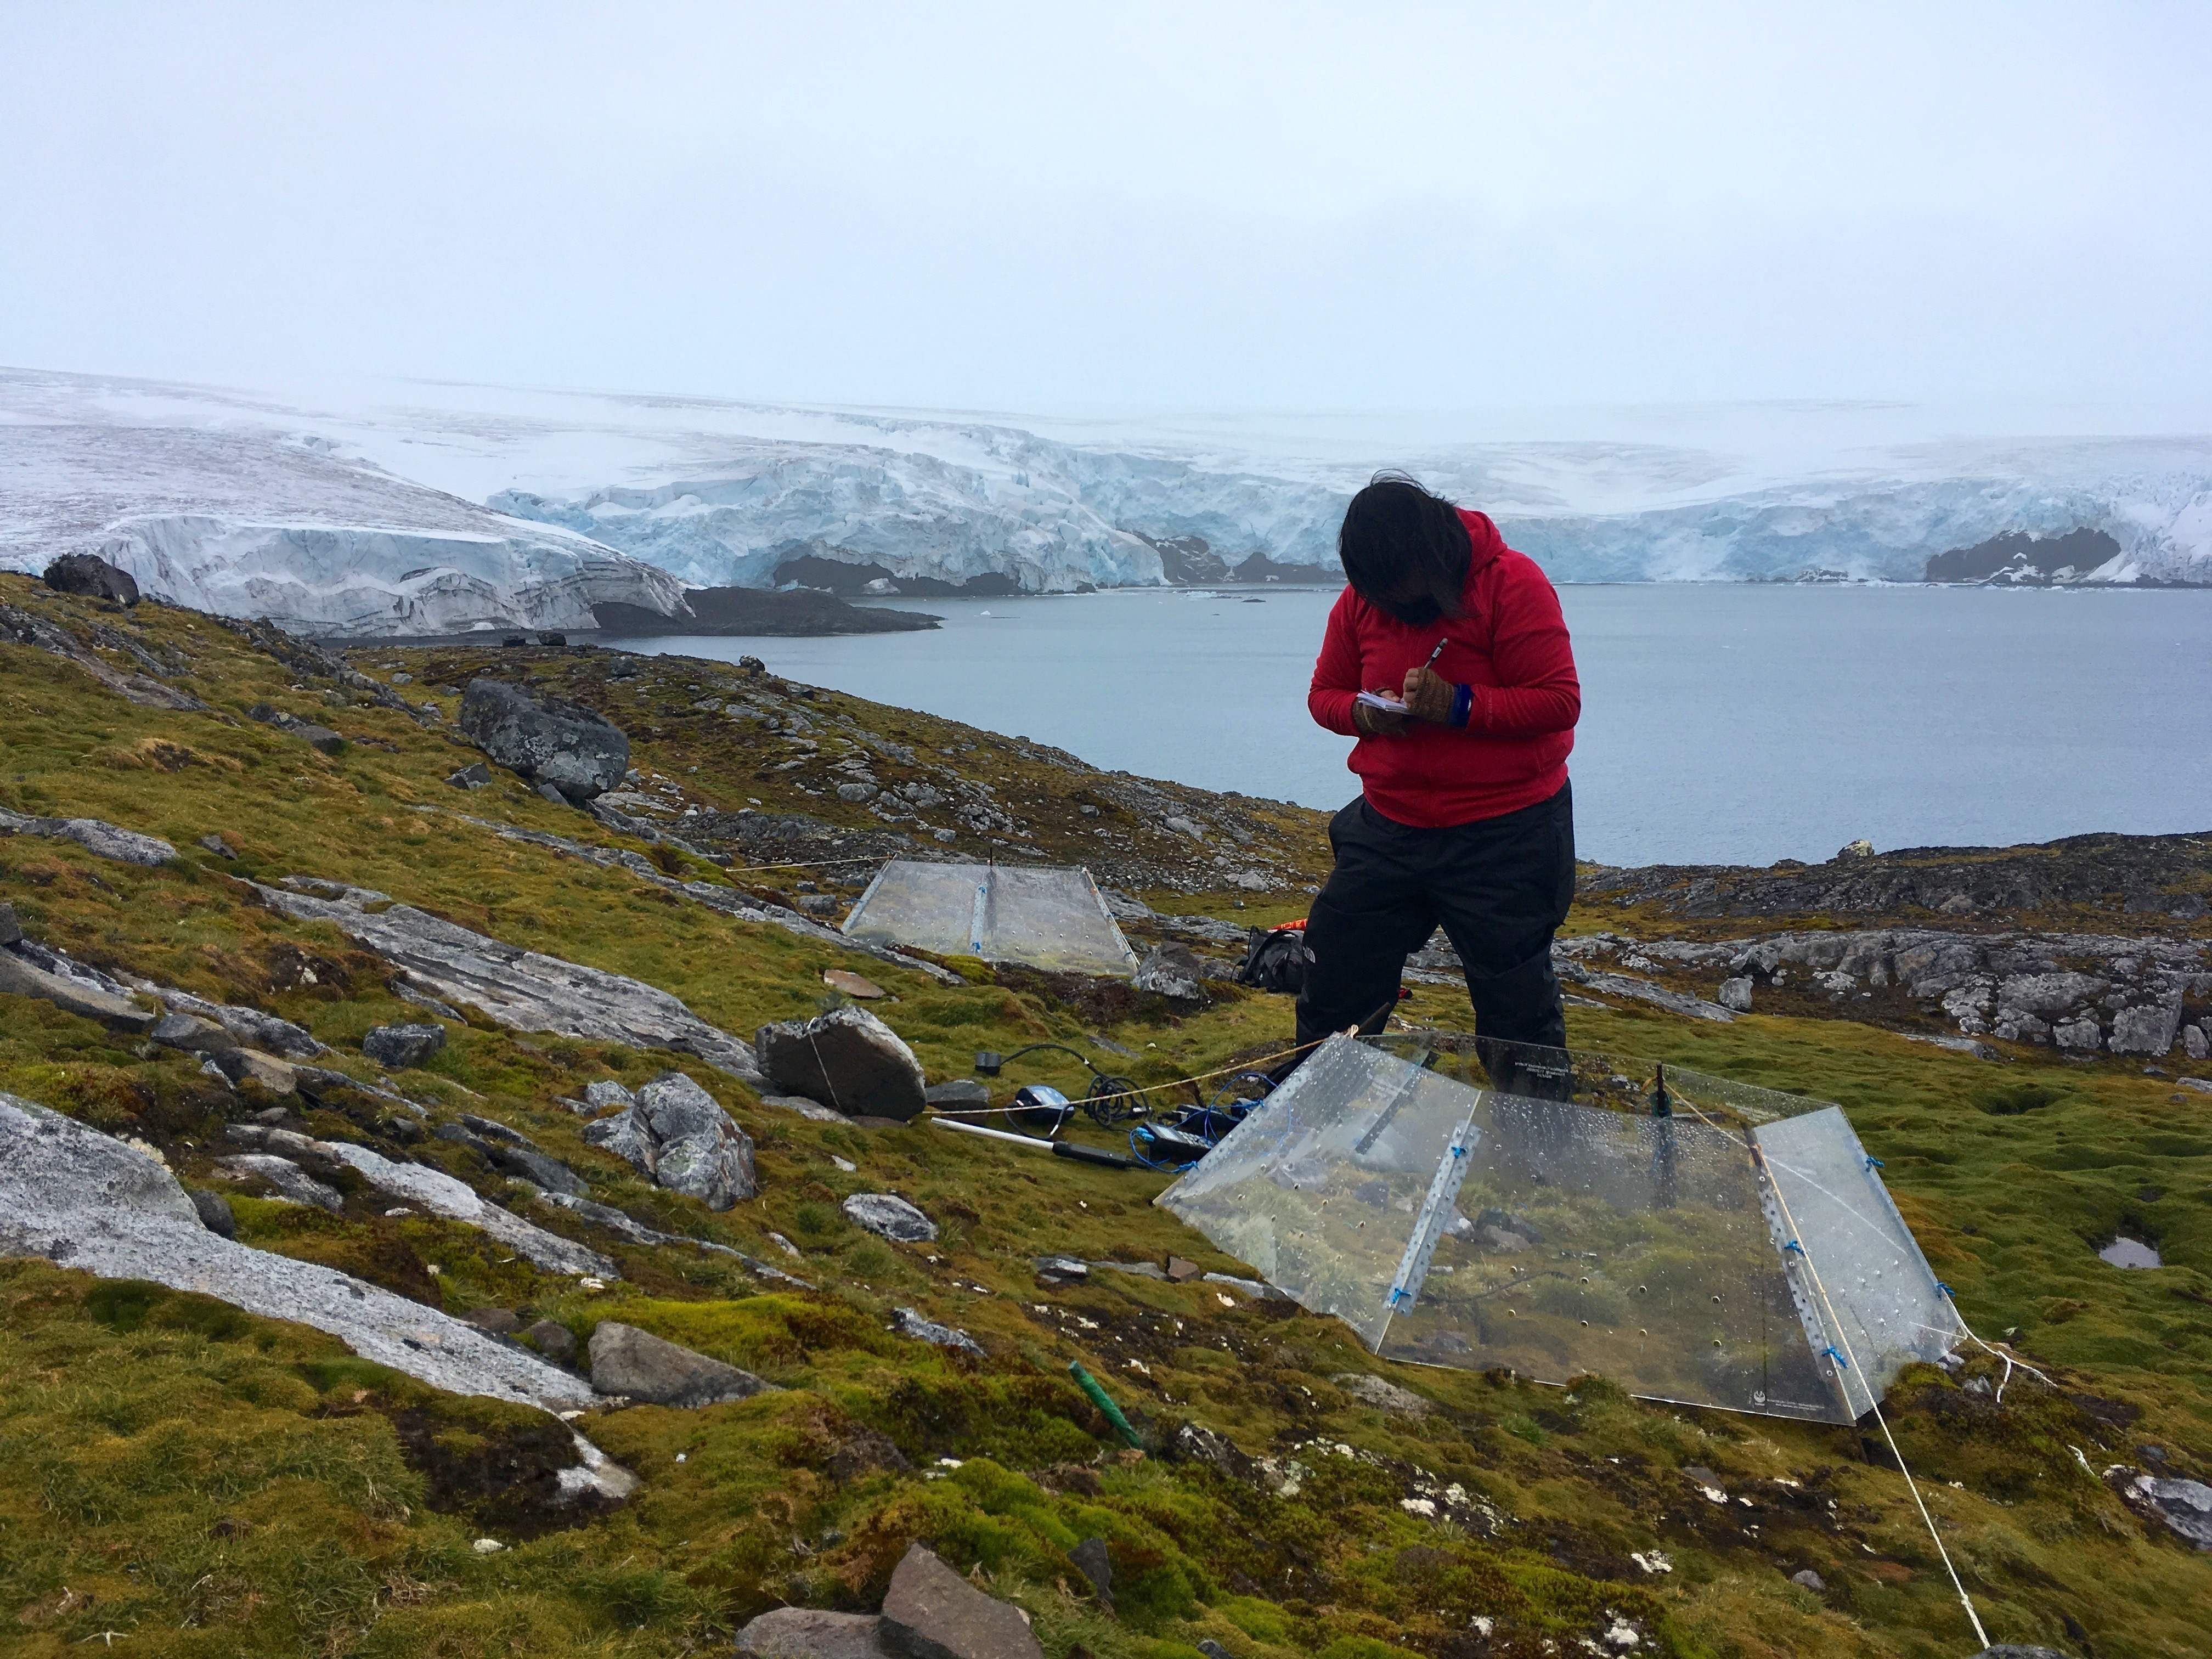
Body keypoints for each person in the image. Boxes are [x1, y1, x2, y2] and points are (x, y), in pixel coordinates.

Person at [1295, 472, 1581, 1086]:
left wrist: (1458, 705)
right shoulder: (1361, 601)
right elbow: (1324, 695)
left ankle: (1536, 1145)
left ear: (1428, 556)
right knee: (1337, 969)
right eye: (1375, 591)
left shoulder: (1512, 583)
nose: (1390, 604)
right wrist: (1364, 713)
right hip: (1391, 822)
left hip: (1506, 830)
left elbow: (1559, 701)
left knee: (1516, 1006)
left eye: (1398, 588)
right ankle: (1315, 1112)